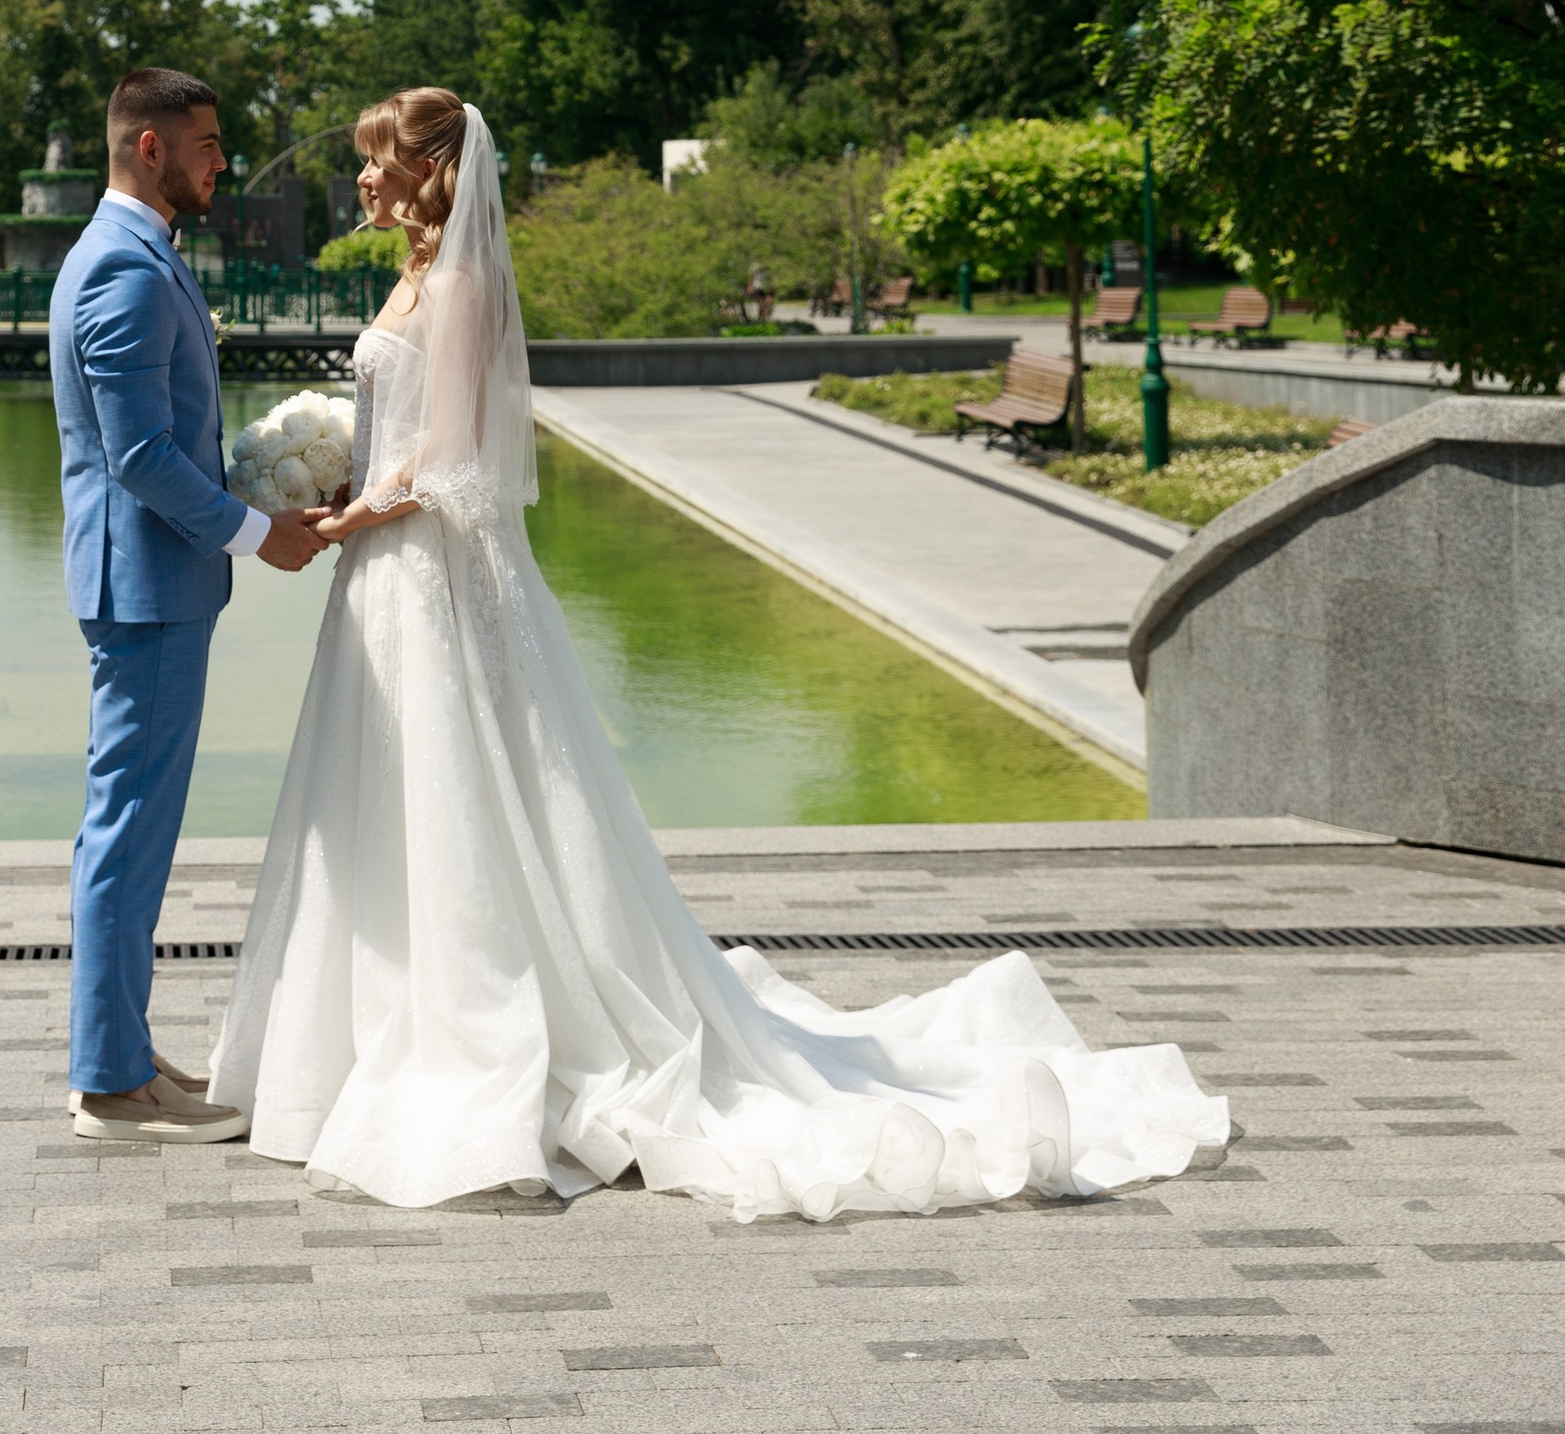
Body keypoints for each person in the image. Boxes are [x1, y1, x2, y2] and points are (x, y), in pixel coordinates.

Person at [208, 86, 1230, 1216]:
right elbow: (407, 442)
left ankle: (486, 1035)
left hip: (435, 578)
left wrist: (345, 519)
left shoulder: (457, 282)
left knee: (464, 799)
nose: (361, 178)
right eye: (360, 161)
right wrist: (340, 478)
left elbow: (451, 464)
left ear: (435, 166)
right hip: (387, 580)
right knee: (381, 804)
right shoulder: (409, 274)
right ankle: (359, 1039)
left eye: (377, 159)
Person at [52, 63, 323, 1144]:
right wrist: (261, 534)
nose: (224, 160)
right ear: (149, 147)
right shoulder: (121, 267)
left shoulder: (138, 253)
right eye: (207, 143)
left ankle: (118, 1054)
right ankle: (110, 1087)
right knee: (125, 832)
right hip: (145, 588)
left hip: (153, 583)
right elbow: (141, 458)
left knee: (131, 829)